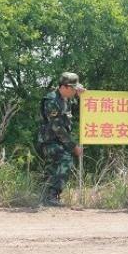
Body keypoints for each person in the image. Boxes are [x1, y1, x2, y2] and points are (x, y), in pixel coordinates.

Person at [38, 72, 85, 207]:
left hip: (59, 141)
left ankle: (45, 197)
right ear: (64, 87)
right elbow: (57, 128)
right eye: (73, 89)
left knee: (52, 169)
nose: (75, 91)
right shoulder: (52, 100)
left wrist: (82, 94)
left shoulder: (66, 99)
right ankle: (52, 195)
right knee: (65, 160)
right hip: (49, 141)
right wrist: (73, 146)